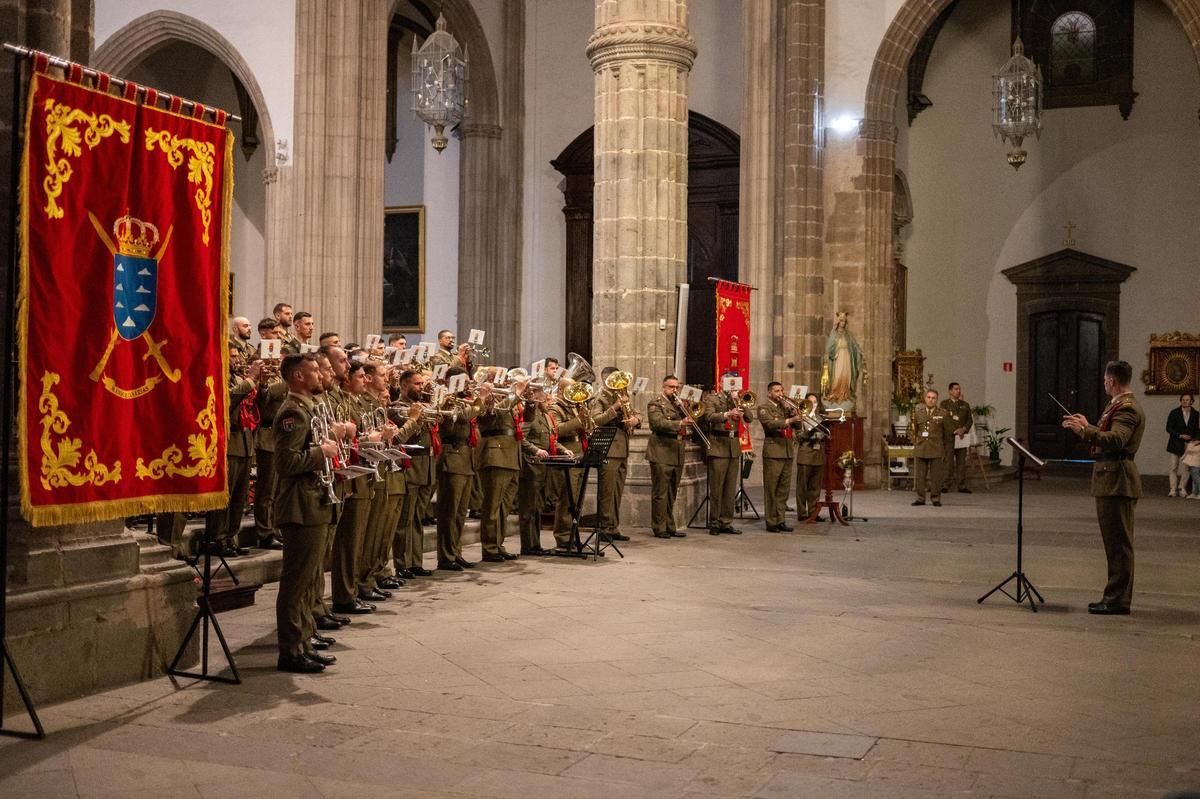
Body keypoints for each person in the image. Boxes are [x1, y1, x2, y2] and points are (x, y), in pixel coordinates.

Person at [273, 354, 341, 673]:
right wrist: (320, 453)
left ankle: (303, 640)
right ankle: (290, 650)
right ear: (298, 376)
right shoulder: (292, 413)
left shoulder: (308, 409)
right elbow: (285, 464)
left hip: (314, 502)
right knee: (296, 583)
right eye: (314, 370)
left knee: (308, 581)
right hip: (300, 506)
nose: (320, 374)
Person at [1063, 360, 1144, 615]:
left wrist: (1085, 431)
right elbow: (1110, 433)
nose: (1104, 383)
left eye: (1106, 380)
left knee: (1119, 544)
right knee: (1114, 543)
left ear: (1112, 381)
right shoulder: (1118, 404)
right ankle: (1113, 596)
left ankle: (1117, 600)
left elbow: (1118, 439)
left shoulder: (1127, 408)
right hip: (1111, 478)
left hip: (1117, 480)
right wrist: (1090, 426)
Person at [436, 367, 485, 570]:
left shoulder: (464, 400)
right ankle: (446, 556)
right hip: (452, 458)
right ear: (451, 381)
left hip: (466, 458)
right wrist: (480, 400)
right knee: (449, 511)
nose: (467, 384)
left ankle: (456, 552)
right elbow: (462, 418)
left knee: (460, 513)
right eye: (463, 381)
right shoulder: (446, 400)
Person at [477, 376, 526, 562]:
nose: (503, 385)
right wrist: (516, 394)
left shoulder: (509, 401)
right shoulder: (488, 402)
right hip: (495, 456)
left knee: (504, 507)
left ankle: (498, 544)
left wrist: (529, 400)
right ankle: (489, 547)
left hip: (512, 455)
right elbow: (490, 417)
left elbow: (527, 418)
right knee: (492, 506)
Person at [589, 366, 640, 542]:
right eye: (612, 379)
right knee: (607, 491)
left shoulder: (621, 395)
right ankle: (604, 527)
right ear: (604, 379)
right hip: (609, 449)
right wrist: (615, 407)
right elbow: (595, 420)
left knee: (617, 490)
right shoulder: (600, 397)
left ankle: (613, 526)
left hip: (622, 447)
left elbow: (635, 413)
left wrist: (635, 420)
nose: (617, 383)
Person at [646, 375, 692, 539]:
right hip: (661, 451)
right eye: (672, 387)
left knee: (672, 491)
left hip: (677, 450)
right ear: (663, 387)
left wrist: (686, 411)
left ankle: (669, 525)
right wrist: (680, 423)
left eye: (677, 387)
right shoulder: (655, 403)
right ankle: (659, 527)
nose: (675, 390)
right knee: (660, 492)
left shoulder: (679, 405)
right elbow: (657, 423)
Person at [701, 374, 744, 535]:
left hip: (733, 447)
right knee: (717, 487)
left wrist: (738, 401)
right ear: (721, 383)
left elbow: (749, 418)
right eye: (729, 383)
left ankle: (726, 521)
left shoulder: (737, 399)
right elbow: (709, 416)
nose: (732, 386)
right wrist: (727, 414)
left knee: (730, 487)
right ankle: (714, 522)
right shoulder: (713, 399)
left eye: (734, 383)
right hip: (718, 445)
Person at [516, 385, 555, 555]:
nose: (550, 402)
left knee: (537, 508)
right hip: (530, 466)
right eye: (546, 399)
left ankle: (535, 544)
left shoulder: (544, 416)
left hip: (541, 467)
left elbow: (552, 437)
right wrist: (535, 450)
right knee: (528, 509)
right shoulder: (531, 416)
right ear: (538, 399)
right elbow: (521, 438)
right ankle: (528, 545)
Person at [758, 382, 798, 532]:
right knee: (772, 488)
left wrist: (794, 413)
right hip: (774, 452)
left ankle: (781, 519)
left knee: (783, 489)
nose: (780, 393)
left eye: (781, 390)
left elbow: (798, 426)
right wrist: (789, 420)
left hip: (787, 451)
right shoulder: (764, 408)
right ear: (769, 393)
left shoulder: (785, 408)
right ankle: (771, 521)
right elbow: (769, 424)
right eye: (776, 391)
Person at [911, 388, 954, 507]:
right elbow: (914, 431)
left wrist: (945, 450)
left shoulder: (943, 414)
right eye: (929, 397)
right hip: (921, 448)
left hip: (936, 448)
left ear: (937, 400)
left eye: (933, 398)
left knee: (936, 476)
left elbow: (948, 434)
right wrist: (916, 443)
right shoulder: (918, 413)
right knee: (920, 475)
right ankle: (920, 498)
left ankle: (935, 498)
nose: (931, 400)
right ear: (925, 399)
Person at [795, 393, 827, 521]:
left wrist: (822, 435)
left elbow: (826, 432)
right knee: (802, 485)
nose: (812, 405)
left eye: (814, 402)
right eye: (810, 402)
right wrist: (810, 433)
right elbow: (798, 436)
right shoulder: (800, 418)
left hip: (818, 453)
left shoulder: (820, 418)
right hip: (806, 452)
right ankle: (802, 513)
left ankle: (813, 512)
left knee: (815, 486)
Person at [824, 311, 864, 406]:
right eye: (841, 321)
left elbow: (854, 345)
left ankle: (846, 394)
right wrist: (833, 351)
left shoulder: (848, 334)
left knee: (847, 376)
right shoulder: (834, 333)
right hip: (838, 357)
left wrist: (859, 352)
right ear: (838, 322)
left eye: (844, 321)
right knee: (837, 377)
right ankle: (835, 394)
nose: (843, 323)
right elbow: (829, 347)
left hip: (846, 357)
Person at [940, 382, 974, 493]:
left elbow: (970, 420)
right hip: (949, 437)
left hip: (962, 437)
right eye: (955, 389)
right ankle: (945, 484)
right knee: (948, 462)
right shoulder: (944, 404)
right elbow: (945, 420)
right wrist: (955, 431)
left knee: (961, 462)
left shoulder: (965, 404)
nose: (958, 391)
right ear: (950, 391)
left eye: (959, 389)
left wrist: (963, 429)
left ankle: (961, 485)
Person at [1166, 393, 1197, 497]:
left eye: (1187, 400)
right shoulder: (1174, 412)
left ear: (1191, 401)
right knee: (1173, 467)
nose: (1185, 401)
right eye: (1183, 400)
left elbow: (1197, 430)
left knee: (1186, 468)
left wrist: (1195, 440)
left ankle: (1182, 488)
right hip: (1175, 443)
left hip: (1189, 444)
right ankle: (1173, 489)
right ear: (1180, 401)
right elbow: (1168, 428)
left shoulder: (1196, 414)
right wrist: (1180, 435)